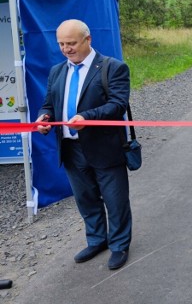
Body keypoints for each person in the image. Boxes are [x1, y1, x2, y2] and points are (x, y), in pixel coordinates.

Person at [36, 19, 133, 270]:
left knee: (115, 200)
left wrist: (87, 118)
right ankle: (97, 239)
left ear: (88, 40)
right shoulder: (57, 71)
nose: (66, 49)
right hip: (71, 148)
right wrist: (44, 118)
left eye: (71, 43)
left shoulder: (113, 68)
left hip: (105, 148)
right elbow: (49, 103)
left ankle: (120, 245)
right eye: (61, 44)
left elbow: (117, 105)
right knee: (86, 199)